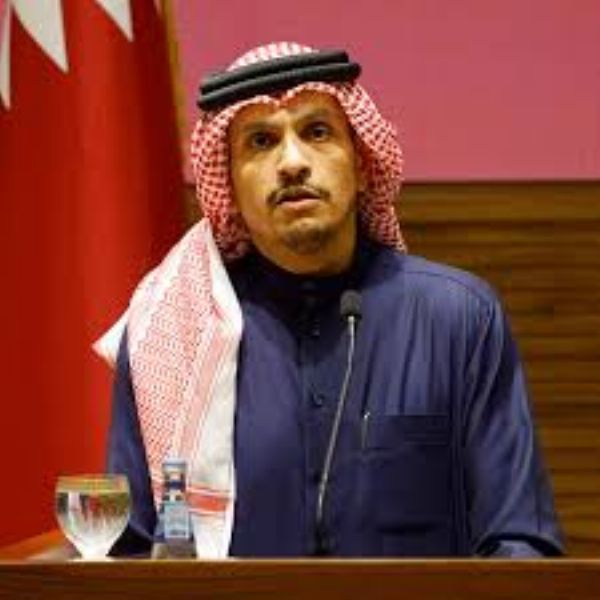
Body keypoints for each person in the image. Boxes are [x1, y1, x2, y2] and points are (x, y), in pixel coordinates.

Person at [102, 42, 563, 558]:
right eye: (261, 141)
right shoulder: (170, 333)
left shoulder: (458, 320)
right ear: (227, 185)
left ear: (362, 164)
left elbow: (519, 542)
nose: (292, 162)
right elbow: (130, 555)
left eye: (317, 132)